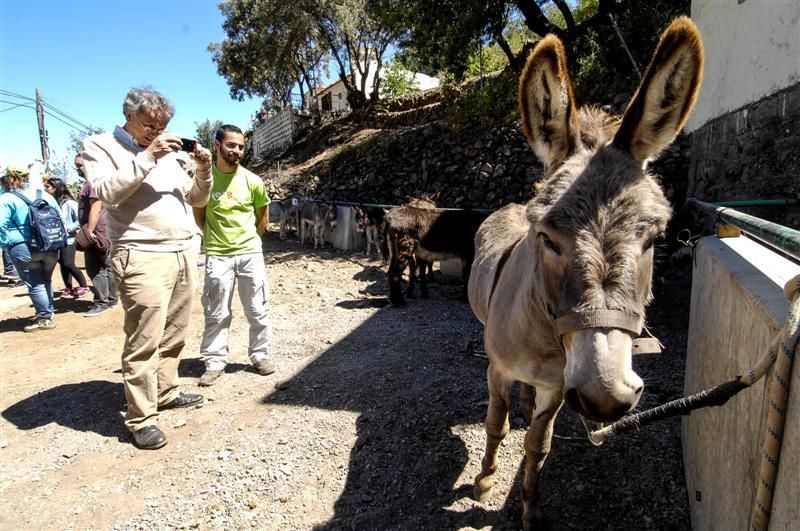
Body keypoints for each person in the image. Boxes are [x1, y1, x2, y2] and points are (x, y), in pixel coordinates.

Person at [81, 87, 213, 450]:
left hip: (184, 250)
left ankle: (166, 391)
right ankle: (141, 417)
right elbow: (108, 192)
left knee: (175, 331)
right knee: (144, 338)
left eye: (162, 126)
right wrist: (148, 155)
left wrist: (203, 171)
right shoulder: (100, 146)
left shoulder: (170, 155)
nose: (156, 132)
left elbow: (196, 197)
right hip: (141, 254)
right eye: (149, 125)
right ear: (129, 116)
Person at [194, 124, 274, 387]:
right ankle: (215, 362)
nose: (237, 151)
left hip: (250, 252)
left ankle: (260, 356)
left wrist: (249, 241)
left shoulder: (253, 181)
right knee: (216, 312)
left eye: (240, 146)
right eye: (231, 145)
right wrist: (216, 241)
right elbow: (200, 216)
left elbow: (263, 218)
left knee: (257, 309)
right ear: (217, 145)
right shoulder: (205, 179)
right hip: (218, 255)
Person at [0, 163, 63, 332]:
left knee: (35, 283)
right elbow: (60, 218)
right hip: (50, 244)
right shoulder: (44, 194)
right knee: (46, 280)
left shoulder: (7, 198)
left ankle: (44, 318)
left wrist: (5, 244)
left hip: (22, 245)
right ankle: (48, 312)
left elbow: (1, 224)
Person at [75, 155, 119, 316]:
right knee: (107, 265)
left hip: (97, 230)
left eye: (80, 165)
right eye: (77, 166)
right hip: (105, 229)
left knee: (95, 267)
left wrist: (89, 232)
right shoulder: (100, 181)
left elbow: (96, 207)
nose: (78, 169)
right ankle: (112, 299)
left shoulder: (93, 182)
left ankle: (102, 302)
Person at [44, 177, 90, 299]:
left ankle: (84, 286)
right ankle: (69, 288)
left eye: (48, 187)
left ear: (56, 188)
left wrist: (69, 228)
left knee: (69, 263)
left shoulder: (70, 203)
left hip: (70, 239)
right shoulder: (54, 203)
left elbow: (80, 219)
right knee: (62, 263)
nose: (46, 189)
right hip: (58, 239)